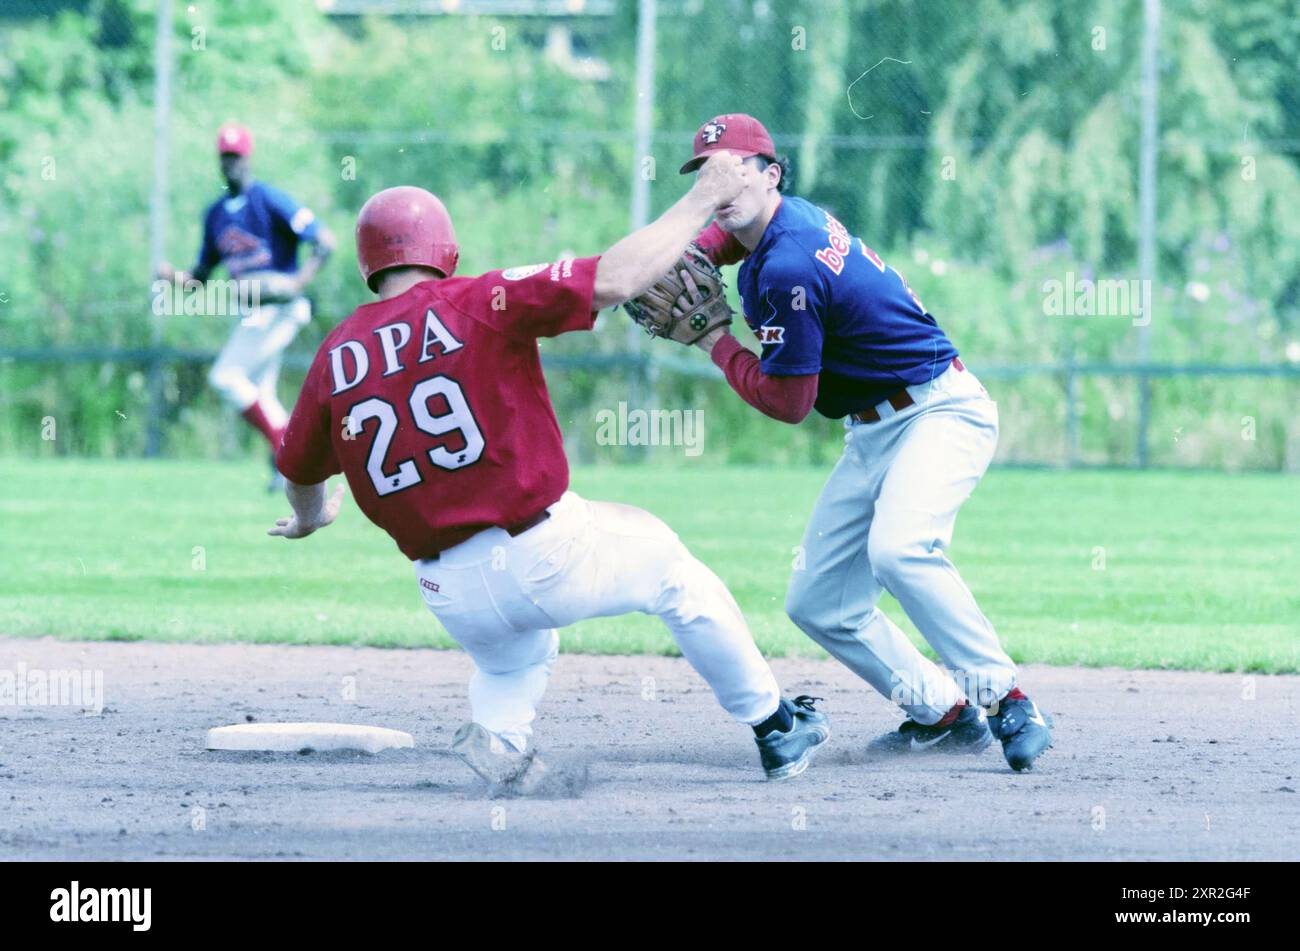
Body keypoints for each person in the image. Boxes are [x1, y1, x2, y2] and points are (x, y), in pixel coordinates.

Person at [268, 160, 829, 788]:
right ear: (444, 251)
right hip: (543, 554)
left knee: (513, 662)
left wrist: (312, 517)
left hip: (448, 595)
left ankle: (500, 741)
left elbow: (296, 468)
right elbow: (615, 279)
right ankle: (777, 725)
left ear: (367, 262)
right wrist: (703, 198)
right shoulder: (480, 297)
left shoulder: (336, 352)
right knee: (674, 574)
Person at [675, 114, 1051, 771]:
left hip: (939, 412)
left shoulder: (786, 264)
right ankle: (942, 710)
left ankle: (1008, 697)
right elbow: (727, 236)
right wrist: (693, 248)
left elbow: (789, 404)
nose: (720, 184)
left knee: (902, 549)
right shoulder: (783, 219)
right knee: (818, 602)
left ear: (772, 173)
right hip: (876, 427)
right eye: (708, 173)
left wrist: (713, 341)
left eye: (733, 170)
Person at [157, 122, 335, 487]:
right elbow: (199, 280)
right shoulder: (216, 214)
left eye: (236, 156)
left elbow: (325, 241)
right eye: (225, 156)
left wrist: (297, 282)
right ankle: (291, 470)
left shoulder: (269, 199)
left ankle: (289, 456)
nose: (231, 163)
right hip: (250, 310)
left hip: (280, 308)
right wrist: (172, 277)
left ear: (248, 157)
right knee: (261, 394)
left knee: (225, 377)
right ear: (218, 161)